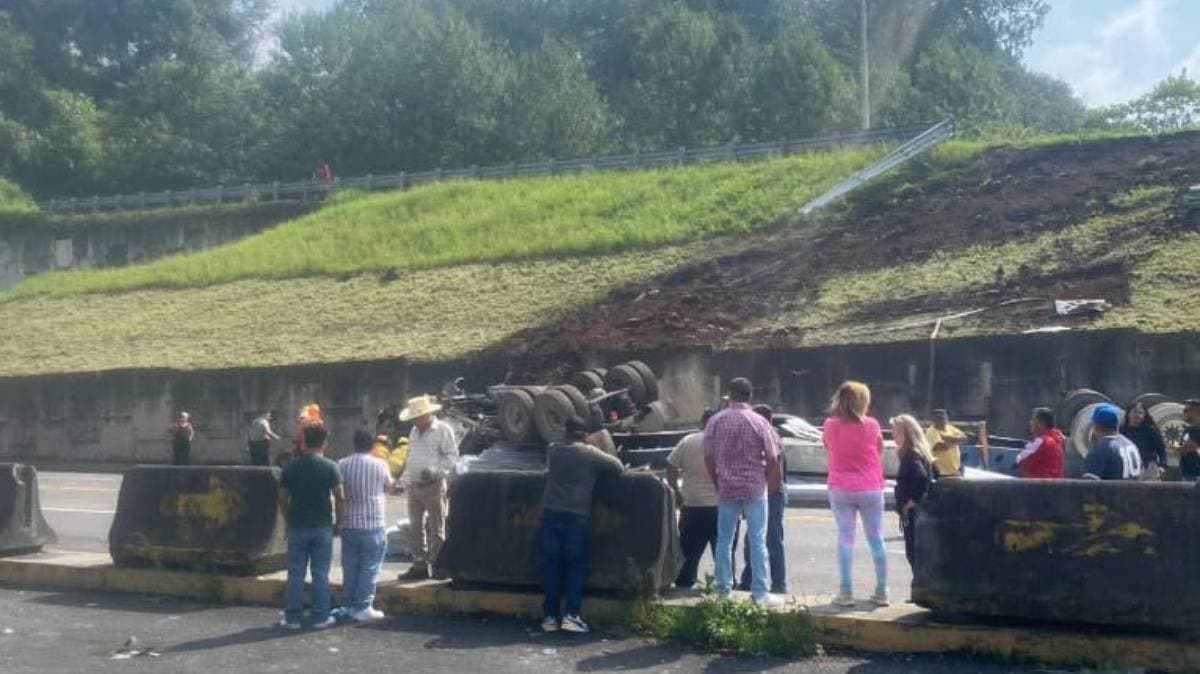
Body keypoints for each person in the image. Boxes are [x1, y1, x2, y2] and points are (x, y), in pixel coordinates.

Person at [540, 416, 625, 634]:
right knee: (575, 567)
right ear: (584, 434)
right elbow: (618, 466)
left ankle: (549, 617)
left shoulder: (553, 450)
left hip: (550, 515)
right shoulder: (590, 454)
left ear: (566, 432)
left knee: (551, 567)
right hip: (575, 517)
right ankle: (571, 616)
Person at [704, 378, 781, 608]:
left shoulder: (716, 421)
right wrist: (765, 481)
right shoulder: (758, 421)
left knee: (724, 540)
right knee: (758, 540)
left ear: (729, 395)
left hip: (727, 487)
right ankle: (760, 593)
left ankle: (723, 590)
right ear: (750, 396)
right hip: (755, 487)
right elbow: (773, 456)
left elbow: (708, 455)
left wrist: (717, 482)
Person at [822, 381, 888, 607]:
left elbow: (828, 447)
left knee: (846, 539)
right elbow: (878, 451)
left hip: (840, 487)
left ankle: (846, 591)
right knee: (876, 539)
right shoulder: (872, 425)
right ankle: (881, 591)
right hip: (870, 486)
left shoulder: (830, 425)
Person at [278, 424, 344, 630]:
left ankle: (292, 618)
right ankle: (321, 616)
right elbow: (340, 496)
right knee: (320, 573)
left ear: (304, 441)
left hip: (298, 526)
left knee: (295, 573)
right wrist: (338, 522)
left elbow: (281, 496)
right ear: (324, 443)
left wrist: (288, 518)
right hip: (322, 526)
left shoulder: (291, 467)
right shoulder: (331, 466)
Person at [398, 395, 459, 581]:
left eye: (417, 417)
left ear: (427, 415)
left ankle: (438, 564)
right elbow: (412, 457)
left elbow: (452, 457)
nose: (415, 421)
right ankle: (419, 565)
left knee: (436, 527)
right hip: (414, 484)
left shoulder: (443, 430)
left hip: (434, 484)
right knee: (415, 527)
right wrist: (404, 479)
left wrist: (434, 471)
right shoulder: (414, 432)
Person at [337, 427, 394, 623]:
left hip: (349, 521)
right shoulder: (380, 464)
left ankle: (350, 604)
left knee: (350, 566)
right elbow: (389, 485)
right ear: (373, 445)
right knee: (370, 566)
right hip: (373, 522)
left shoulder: (342, 464)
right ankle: (363, 606)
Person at [666, 409, 720, 589]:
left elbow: (671, 466)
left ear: (702, 422)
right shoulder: (723, 442)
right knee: (722, 552)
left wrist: (676, 491)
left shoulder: (689, 440)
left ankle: (683, 585)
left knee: (688, 552)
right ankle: (724, 586)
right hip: (719, 508)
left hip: (692, 505)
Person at [739, 404, 787, 595]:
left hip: (770, 494)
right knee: (759, 539)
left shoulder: (769, 437)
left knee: (766, 539)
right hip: (768, 493)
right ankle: (752, 580)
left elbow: (776, 471)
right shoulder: (770, 434)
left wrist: (764, 496)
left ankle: (774, 584)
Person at [890, 414, 933, 569]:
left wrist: (911, 502)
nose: (893, 435)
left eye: (895, 431)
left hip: (915, 514)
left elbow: (920, 478)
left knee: (914, 554)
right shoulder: (920, 453)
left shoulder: (911, 456)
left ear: (905, 433)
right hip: (921, 513)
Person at [1082, 404, 1142, 480]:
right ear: (1117, 425)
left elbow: (1088, 486)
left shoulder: (1100, 450)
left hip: (1112, 492)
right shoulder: (1131, 445)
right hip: (1134, 491)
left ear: (1096, 427)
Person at [1119, 402, 1167, 481]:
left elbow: (1161, 450)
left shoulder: (1151, 431)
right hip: (1128, 468)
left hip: (1149, 468)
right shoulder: (1122, 431)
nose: (1137, 415)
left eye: (1140, 413)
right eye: (1134, 412)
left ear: (1144, 415)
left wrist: (1162, 466)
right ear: (1128, 414)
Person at [1016, 408, 1065, 479]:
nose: (1030, 422)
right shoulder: (1057, 439)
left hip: (1040, 486)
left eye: (1033, 420)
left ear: (1041, 424)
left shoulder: (1042, 441)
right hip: (1055, 486)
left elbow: (1021, 461)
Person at [925, 409, 966, 478]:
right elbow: (941, 446)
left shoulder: (951, 428)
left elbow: (964, 438)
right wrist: (956, 441)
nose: (941, 420)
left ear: (947, 418)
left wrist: (945, 437)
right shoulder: (931, 431)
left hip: (955, 471)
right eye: (938, 418)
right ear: (933, 420)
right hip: (939, 472)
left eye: (943, 418)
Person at [1177, 399, 1200, 482]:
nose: (1183, 412)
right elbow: (1178, 449)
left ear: (1197, 412)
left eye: (1186, 410)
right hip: (1187, 476)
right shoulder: (1187, 430)